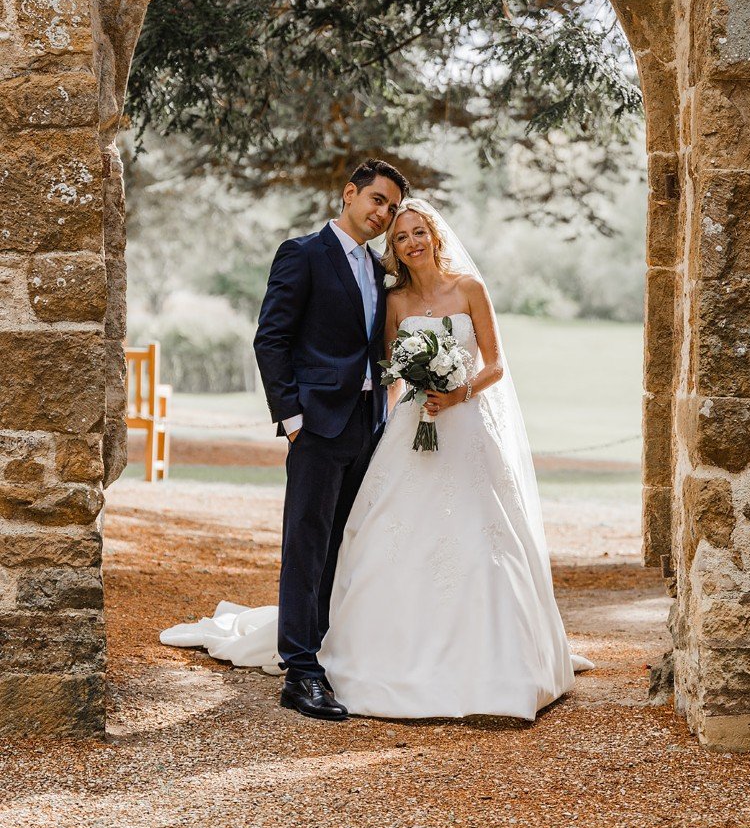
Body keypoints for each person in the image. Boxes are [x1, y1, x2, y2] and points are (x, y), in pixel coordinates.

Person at [160, 197, 593, 720]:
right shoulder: (395, 302)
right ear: (395, 247)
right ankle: (362, 653)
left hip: (466, 426)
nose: (411, 242)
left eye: (418, 232)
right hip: (411, 427)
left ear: (434, 235)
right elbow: (386, 373)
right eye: (401, 236)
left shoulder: (470, 290)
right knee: (384, 535)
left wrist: (456, 393)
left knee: (482, 537)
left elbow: (497, 364)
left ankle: (501, 658)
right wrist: (381, 430)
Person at [252, 158, 408, 720]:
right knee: (306, 544)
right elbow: (270, 340)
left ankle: (318, 650)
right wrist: (293, 420)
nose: (383, 213)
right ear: (349, 194)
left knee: (341, 544)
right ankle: (299, 670)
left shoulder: (377, 266)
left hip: (367, 425)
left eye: (391, 207)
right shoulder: (303, 254)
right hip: (317, 425)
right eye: (376, 200)